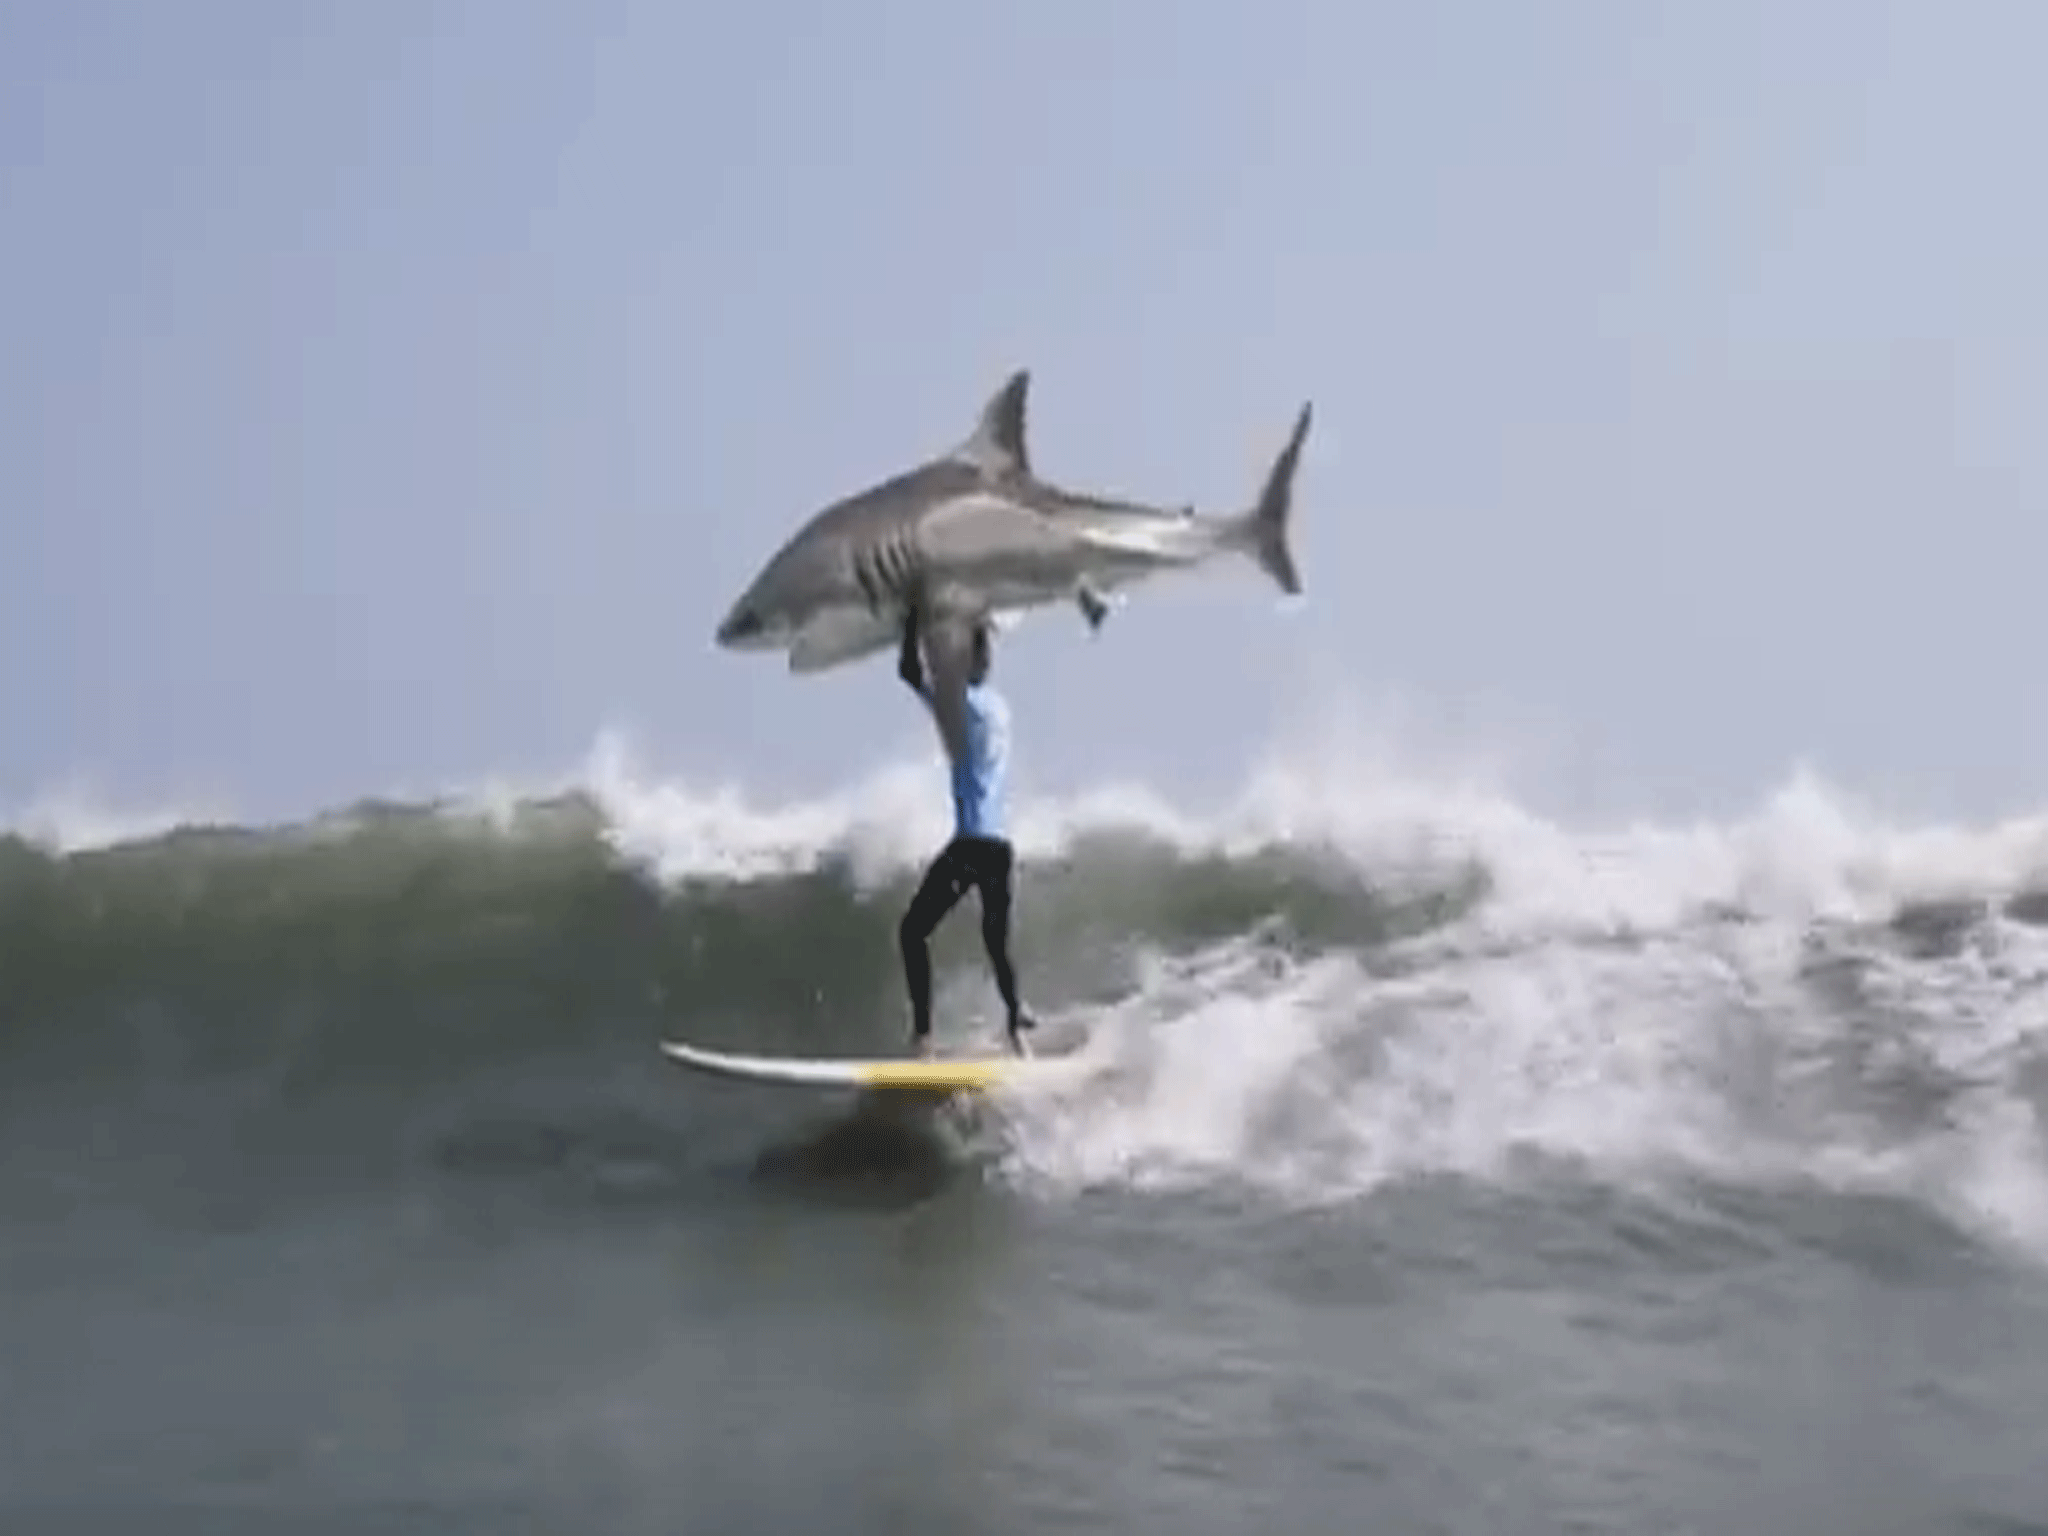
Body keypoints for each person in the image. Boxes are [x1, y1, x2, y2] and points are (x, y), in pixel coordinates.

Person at [895, 605, 1038, 1058]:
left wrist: (911, 619)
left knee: (912, 932)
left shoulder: (962, 705)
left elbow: (908, 671)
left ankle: (923, 1038)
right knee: (997, 942)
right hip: (1001, 846)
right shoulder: (1000, 710)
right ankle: (1017, 1027)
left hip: (972, 842)